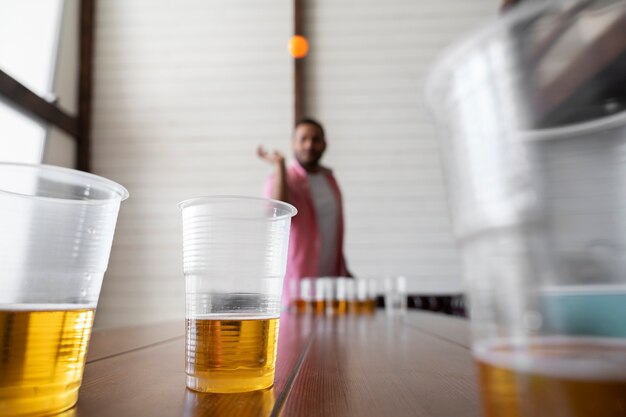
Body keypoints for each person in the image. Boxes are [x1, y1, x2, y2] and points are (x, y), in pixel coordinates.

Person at [257, 118, 351, 308]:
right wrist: (280, 166)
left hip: (331, 286)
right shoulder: (281, 179)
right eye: (303, 139)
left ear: (324, 144)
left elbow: (331, 230)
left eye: (315, 139)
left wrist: (343, 269)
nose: (309, 144)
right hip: (297, 289)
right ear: (293, 143)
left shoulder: (330, 180)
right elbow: (275, 213)